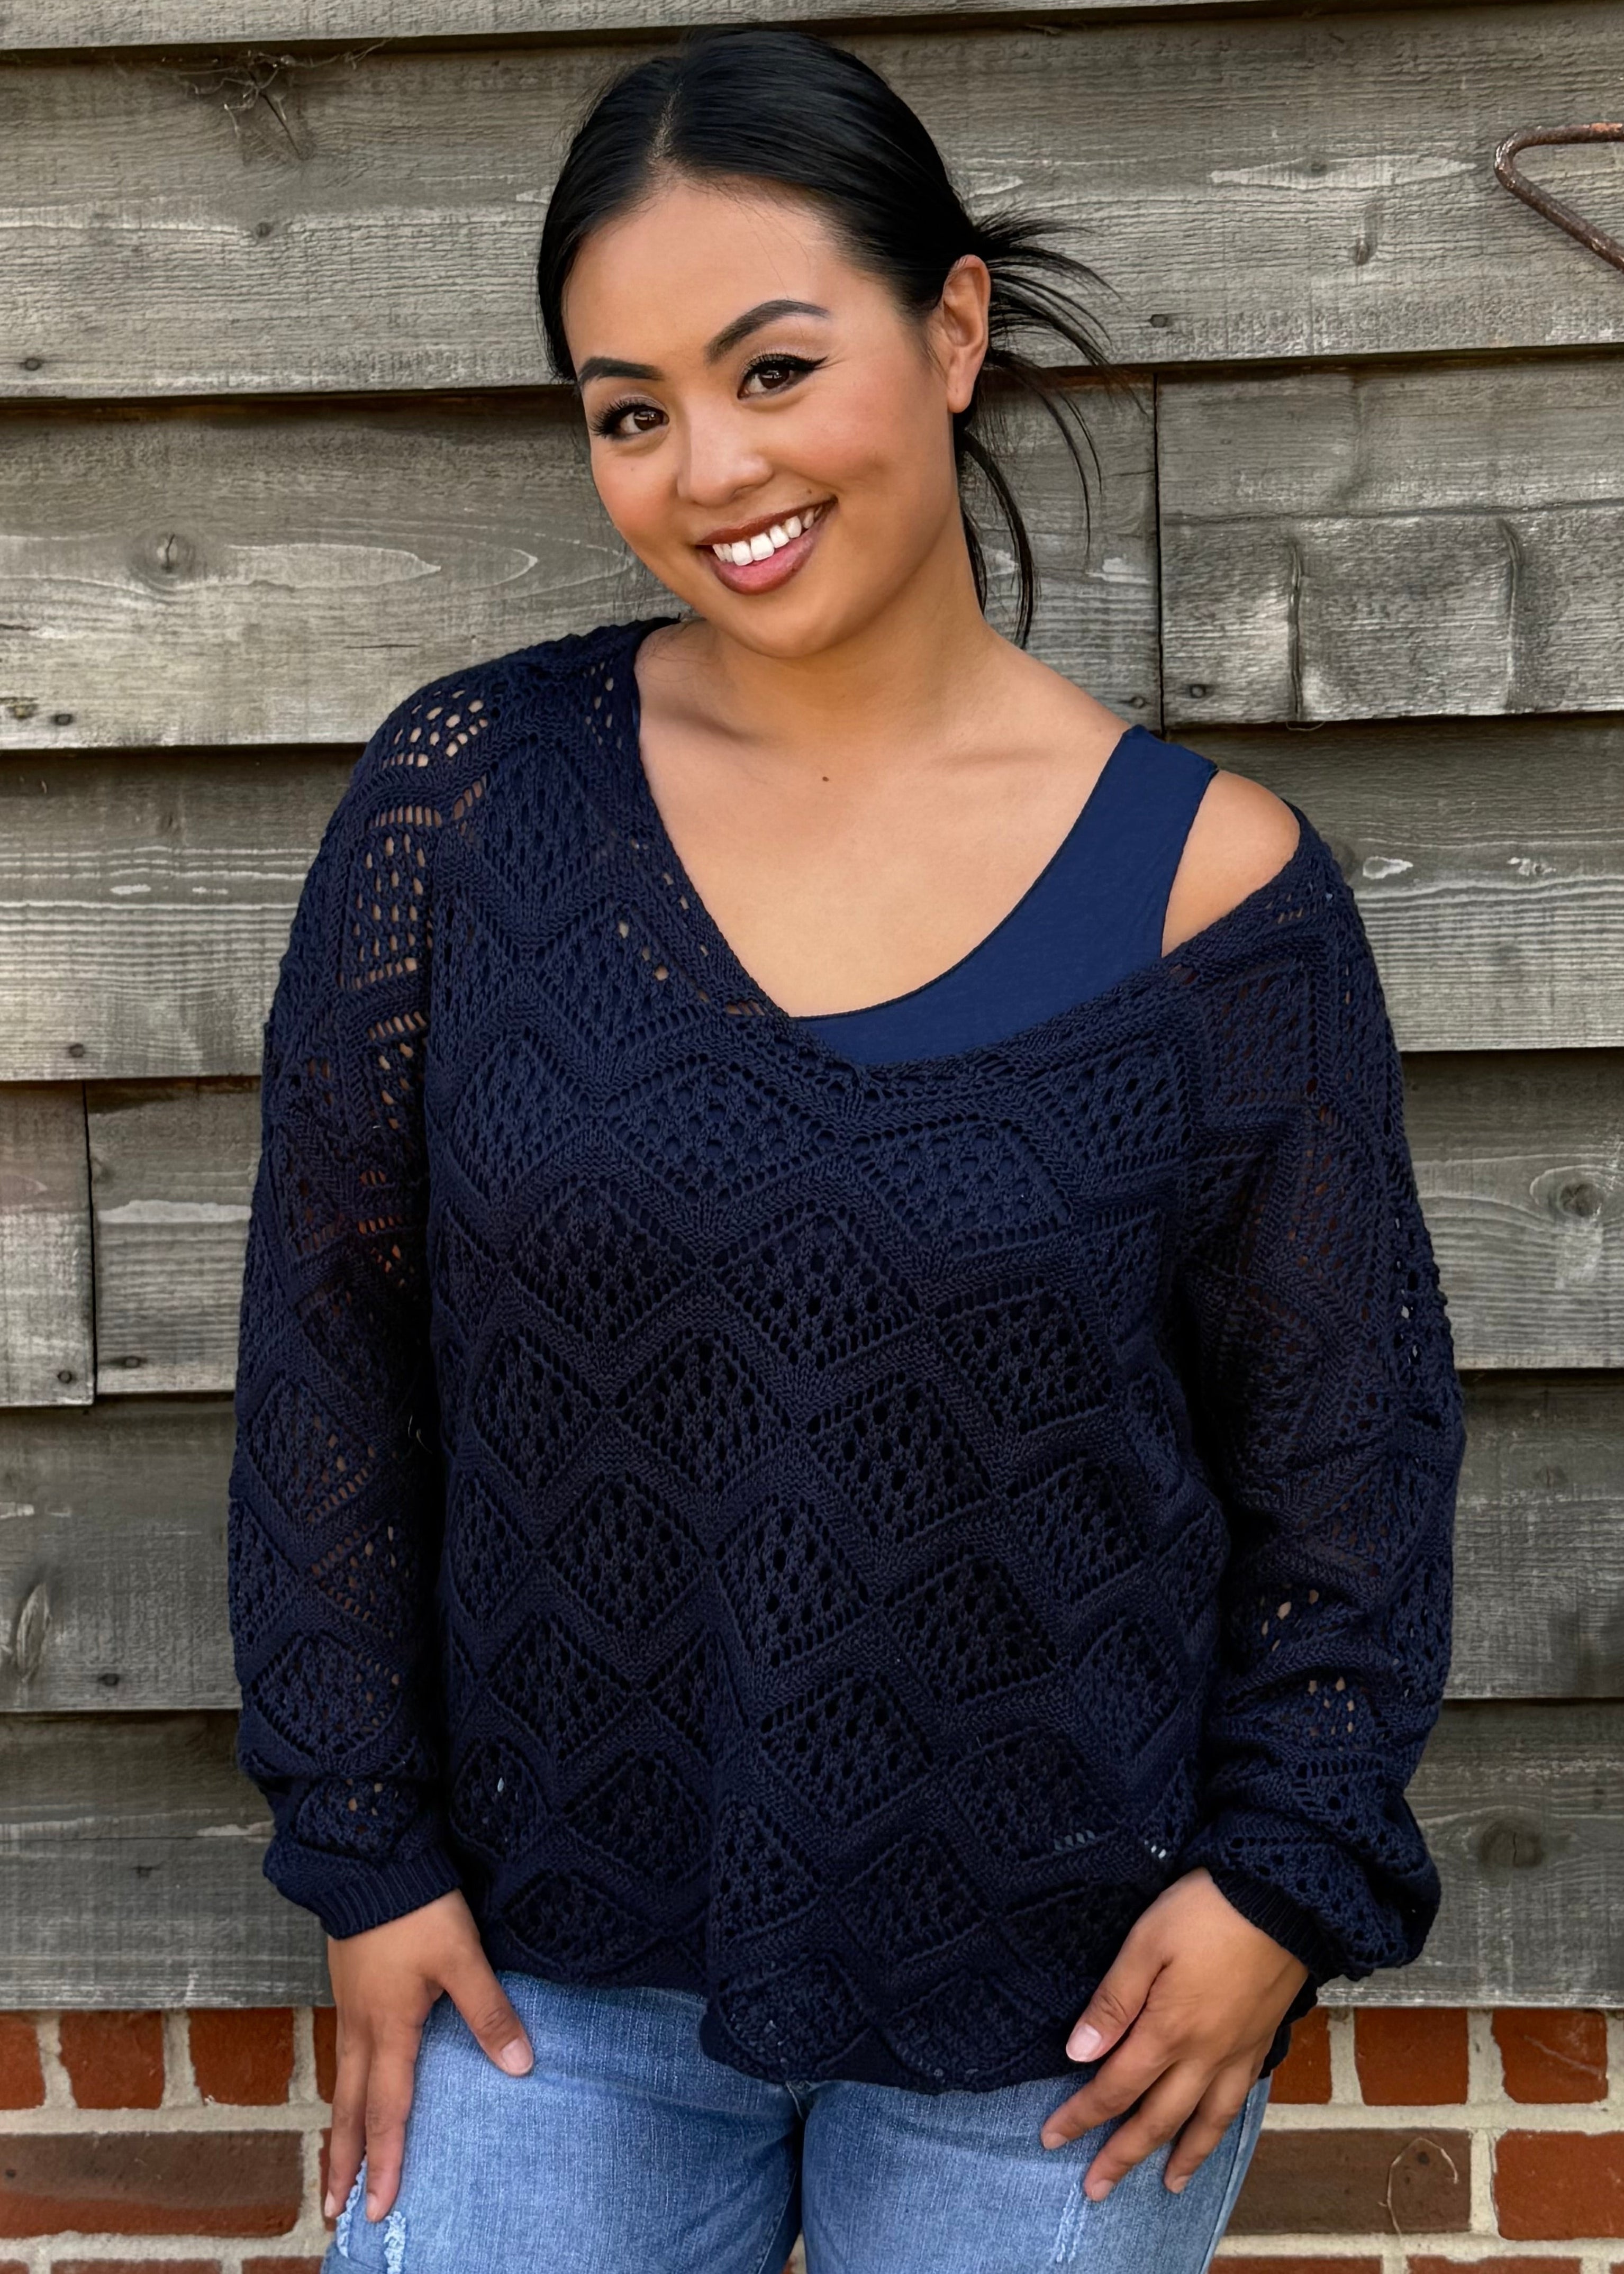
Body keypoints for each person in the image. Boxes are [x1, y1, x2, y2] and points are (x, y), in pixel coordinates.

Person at [225, 26, 1467, 2273]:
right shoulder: (474, 810)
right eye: (630, 408)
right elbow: (330, 1357)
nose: (709, 465)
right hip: (544, 1970)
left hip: (1064, 2017)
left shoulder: (1215, 900)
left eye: (773, 367)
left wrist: (1284, 1880)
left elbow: (1351, 1461)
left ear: (956, 327)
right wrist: (366, 1850)